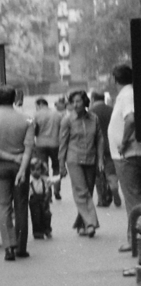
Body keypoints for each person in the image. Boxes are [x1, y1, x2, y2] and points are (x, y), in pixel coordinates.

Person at [0, 84, 34, 260]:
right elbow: (29, 148)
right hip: (21, 165)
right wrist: (22, 167)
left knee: (3, 206)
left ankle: (9, 247)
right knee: (21, 205)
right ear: (14, 99)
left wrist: (8, 157)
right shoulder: (27, 120)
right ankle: (21, 247)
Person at [59, 88, 105, 236]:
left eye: (78, 101)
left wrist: (100, 160)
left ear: (85, 101)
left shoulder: (94, 118)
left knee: (88, 192)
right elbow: (63, 143)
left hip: (91, 159)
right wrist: (61, 164)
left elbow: (99, 140)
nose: (75, 104)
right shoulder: (67, 120)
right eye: (73, 102)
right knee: (82, 192)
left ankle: (81, 224)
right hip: (74, 159)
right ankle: (91, 223)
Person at [111, 64, 141, 256]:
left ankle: (134, 241)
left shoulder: (127, 95)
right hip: (130, 154)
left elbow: (130, 119)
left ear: (115, 79)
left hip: (127, 155)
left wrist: (124, 142)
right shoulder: (129, 94)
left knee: (132, 198)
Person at [32, 96, 63, 198]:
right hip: (55, 144)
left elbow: (34, 131)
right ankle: (57, 190)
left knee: (43, 168)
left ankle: (47, 191)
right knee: (56, 167)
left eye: (36, 106)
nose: (36, 108)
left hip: (40, 145)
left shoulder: (36, 115)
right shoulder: (58, 114)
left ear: (40, 104)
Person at [92, 91, 116, 206]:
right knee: (111, 170)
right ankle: (112, 187)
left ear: (93, 98)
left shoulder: (91, 113)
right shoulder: (111, 110)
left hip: (96, 146)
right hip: (111, 144)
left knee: (98, 173)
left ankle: (102, 198)